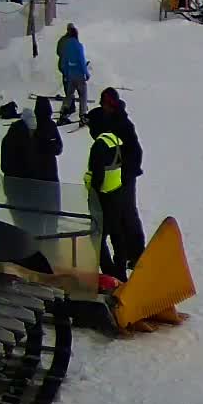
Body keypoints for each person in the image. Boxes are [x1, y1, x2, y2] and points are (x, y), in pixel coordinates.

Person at [85, 88, 145, 282]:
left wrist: (126, 174)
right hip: (113, 180)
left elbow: (136, 152)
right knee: (116, 220)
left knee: (127, 216)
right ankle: (124, 260)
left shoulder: (123, 124)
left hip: (123, 179)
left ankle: (136, 255)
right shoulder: (106, 119)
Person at [56, 23, 89, 125]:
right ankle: (83, 115)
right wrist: (86, 73)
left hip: (70, 75)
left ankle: (63, 114)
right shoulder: (78, 46)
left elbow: (63, 60)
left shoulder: (65, 45)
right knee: (83, 95)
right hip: (79, 74)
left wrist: (66, 73)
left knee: (69, 95)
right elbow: (81, 61)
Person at [30, 96, 62, 182]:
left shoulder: (51, 125)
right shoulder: (33, 126)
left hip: (47, 171)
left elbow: (59, 147)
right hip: (41, 171)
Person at [0, 101, 30, 178]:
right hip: (22, 179)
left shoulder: (6, 140)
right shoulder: (25, 141)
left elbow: (4, 167)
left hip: (10, 179)